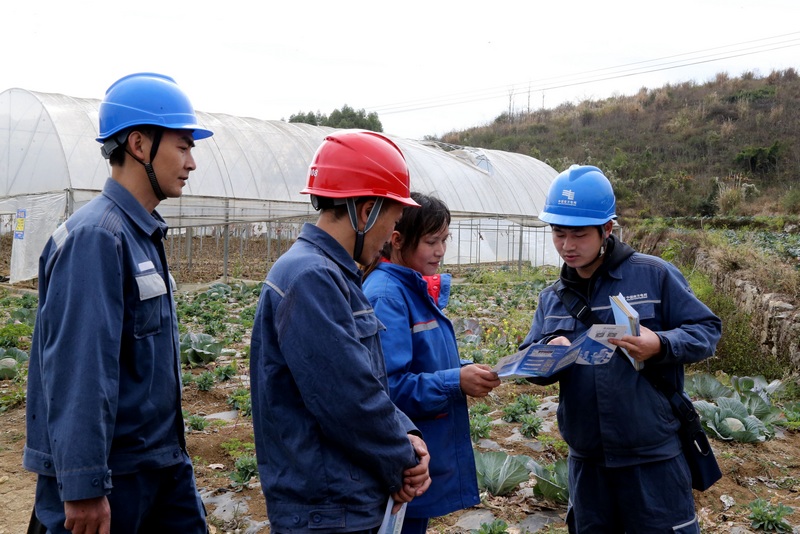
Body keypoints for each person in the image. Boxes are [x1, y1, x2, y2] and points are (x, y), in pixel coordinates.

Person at [23, 73, 213, 534]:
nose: (191, 162)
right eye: (183, 147)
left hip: (160, 463)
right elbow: (80, 368)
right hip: (116, 477)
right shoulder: (98, 237)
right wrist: (84, 485)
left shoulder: (142, 232)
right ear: (139, 144)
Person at [519, 164, 722, 534]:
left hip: (653, 459)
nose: (567, 246)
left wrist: (659, 344)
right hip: (588, 464)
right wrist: (550, 351)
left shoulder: (654, 274)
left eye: (578, 235)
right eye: (559, 234)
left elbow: (707, 330)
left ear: (606, 229)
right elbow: (531, 363)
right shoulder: (552, 298)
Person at [249, 130, 432, 533]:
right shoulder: (311, 277)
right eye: (393, 221)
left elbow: (364, 381)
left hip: (343, 502)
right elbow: (347, 399)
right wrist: (404, 457)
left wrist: (407, 433)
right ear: (366, 212)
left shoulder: (332, 273)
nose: (390, 238)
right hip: (328, 510)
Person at [362, 192, 501, 534]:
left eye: (445, 240)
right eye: (431, 241)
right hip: (404, 460)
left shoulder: (412, 286)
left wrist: (467, 369)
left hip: (418, 458)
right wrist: (456, 381)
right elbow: (387, 388)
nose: (440, 251)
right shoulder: (387, 295)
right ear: (397, 241)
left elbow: (424, 359)